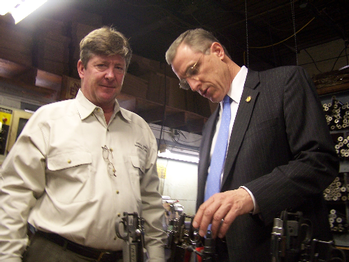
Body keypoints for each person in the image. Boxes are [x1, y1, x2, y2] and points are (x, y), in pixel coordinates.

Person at [165, 28, 339, 262]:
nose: (194, 85)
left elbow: (319, 161)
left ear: (217, 51)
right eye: (186, 82)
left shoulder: (284, 84)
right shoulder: (210, 126)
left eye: (193, 70)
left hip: (273, 251)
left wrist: (250, 195)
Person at [0, 26, 166, 262]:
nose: (111, 75)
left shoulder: (140, 130)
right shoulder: (48, 121)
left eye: (118, 67)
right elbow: (14, 195)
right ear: (81, 68)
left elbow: (151, 201)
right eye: (101, 65)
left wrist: (157, 257)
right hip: (56, 254)